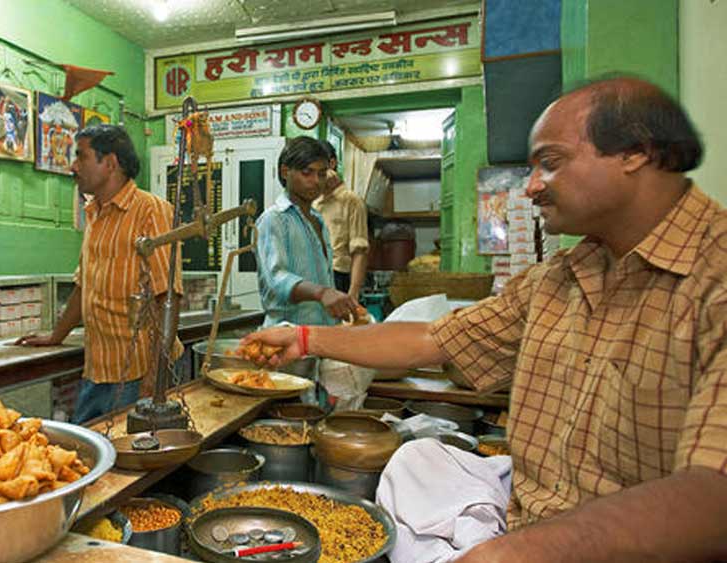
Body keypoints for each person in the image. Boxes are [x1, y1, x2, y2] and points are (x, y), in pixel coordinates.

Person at [242, 76, 727, 562]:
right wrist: (304, 337)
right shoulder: (558, 278)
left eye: (551, 162)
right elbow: (432, 338)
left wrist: (516, 552)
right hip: (523, 514)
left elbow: (713, 495)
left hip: (611, 546)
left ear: (635, 153)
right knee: (416, 459)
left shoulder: (713, 278)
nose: (531, 186)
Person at [16, 125, 183, 424]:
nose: (73, 166)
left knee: (130, 451)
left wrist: (153, 381)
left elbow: (167, 296)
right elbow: (85, 287)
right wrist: (56, 336)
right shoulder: (94, 213)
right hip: (97, 369)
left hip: (137, 372)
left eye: (81, 156)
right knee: (87, 446)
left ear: (110, 163)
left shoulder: (151, 211)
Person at [256, 136, 357, 327]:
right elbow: (277, 279)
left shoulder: (318, 220)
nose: (316, 181)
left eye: (321, 174)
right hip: (287, 335)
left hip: (321, 334)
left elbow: (325, 281)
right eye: (307, 173)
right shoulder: (274, 219)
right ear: (285, 172)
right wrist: (322, 293)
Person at [313, 140, 369, 301]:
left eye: (319, 169)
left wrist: (354, 292)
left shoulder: (351, 201)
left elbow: (359, 251)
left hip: (337, 275)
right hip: (311, 275)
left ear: (331, 164)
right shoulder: (312, 201)